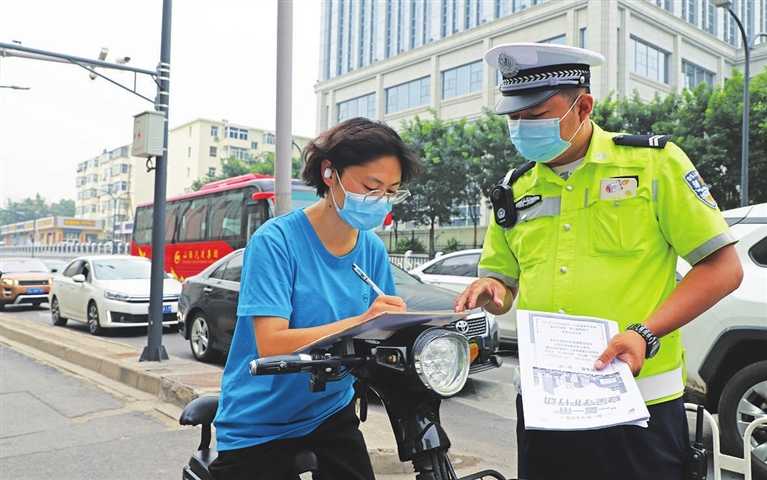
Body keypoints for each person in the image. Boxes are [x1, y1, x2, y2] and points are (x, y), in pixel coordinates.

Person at [454, 43, 744, 480]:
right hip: (545, 404)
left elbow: (723, 268)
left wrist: (645, 334)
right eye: (513, 119)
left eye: (534, 116)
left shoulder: (652, 165)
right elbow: (503, 284)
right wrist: (491, 292)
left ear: (583, 105)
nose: (521, 128)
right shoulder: (513, 189)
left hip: (638, 403)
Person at [209, 117, 420, 480]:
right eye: (371, 186)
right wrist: (361, 321)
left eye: (391, 191)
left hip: (330, 410)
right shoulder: (275, 241)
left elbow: (381, 330)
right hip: (261, 420)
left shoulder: (370, 247)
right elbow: (272, 343)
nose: (380, 201)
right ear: (329, 172)